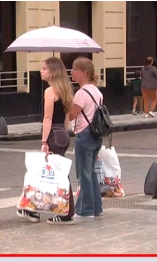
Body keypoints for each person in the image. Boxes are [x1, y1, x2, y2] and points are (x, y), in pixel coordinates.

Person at [19, 57, 74, 224]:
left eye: (44, 68)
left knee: (47, 172)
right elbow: (66, 117)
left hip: (54, 135)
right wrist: (64, 132)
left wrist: (44, 141)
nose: (40, 71)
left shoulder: (50, 91)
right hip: (63, 133)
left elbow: (47, 119)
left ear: (53, 71)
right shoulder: (65, 89)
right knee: (58, 173)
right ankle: (37, 209)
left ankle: (63, 213)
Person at [67, 56, 105, 219]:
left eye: (75, 68)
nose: (71, 72)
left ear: (85, 72)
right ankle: (96, 208)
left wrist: (65, 104)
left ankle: (85, 210)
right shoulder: (97, 91)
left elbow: (72, 115)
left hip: (84, 134)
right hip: (96, 135)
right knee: (91, 173)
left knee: (84, 174)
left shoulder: (81, 93)